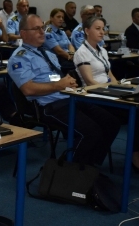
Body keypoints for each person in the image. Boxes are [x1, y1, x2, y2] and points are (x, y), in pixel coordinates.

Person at [8, 14, 120, 165]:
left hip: (69, 98)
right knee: (91, 133)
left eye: (42, 27)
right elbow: (28, 90)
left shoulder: (48, 54)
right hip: (48, 106)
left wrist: (68, 83)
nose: (43, 32)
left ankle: (90, 169)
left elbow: (57, 80)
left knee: (111, 123)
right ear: (23, 33)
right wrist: (59, 85)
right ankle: (71, 176)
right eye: (36, 29)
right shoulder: (19, 58)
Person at [74, 16, 139, 174]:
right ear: (86, 31)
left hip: (109, 92)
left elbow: (110, 74)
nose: (102, 32)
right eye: (97, 28)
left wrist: (122, 88)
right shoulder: (81, 53)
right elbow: (90, 82)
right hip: (94, 96)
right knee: (135, 112)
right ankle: (134, 156)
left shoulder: (102, 50)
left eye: (103, 28)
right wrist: (113, 90)